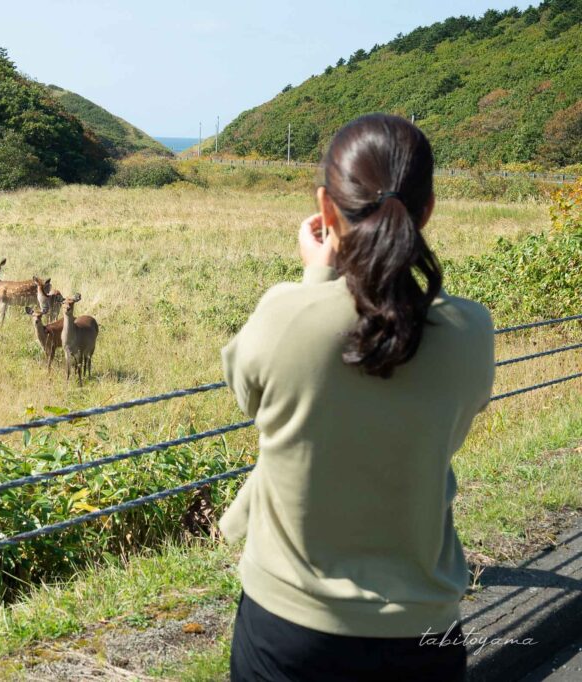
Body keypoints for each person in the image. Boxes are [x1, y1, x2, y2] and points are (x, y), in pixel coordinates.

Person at [218, 113, 495, 681]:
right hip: (424, 631)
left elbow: (252, 401)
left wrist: (316, 279)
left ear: (326, 207)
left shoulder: (284, 316)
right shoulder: (471, 332)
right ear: (428, 209)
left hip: (291, 628)